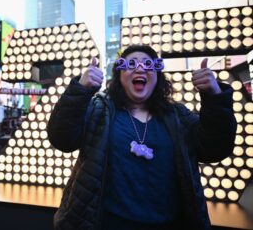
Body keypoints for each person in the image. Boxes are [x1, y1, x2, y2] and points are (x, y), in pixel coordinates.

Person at [47, 45, 237, 230]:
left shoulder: (177, 116)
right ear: (119, 75)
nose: (139, 68)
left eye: (148, 64)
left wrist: (214, 97)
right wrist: (80, 90)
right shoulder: (100, 110)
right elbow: (62, 139)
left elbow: (214, 149)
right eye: (131, 64)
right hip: (106, 223)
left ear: (157, 75)